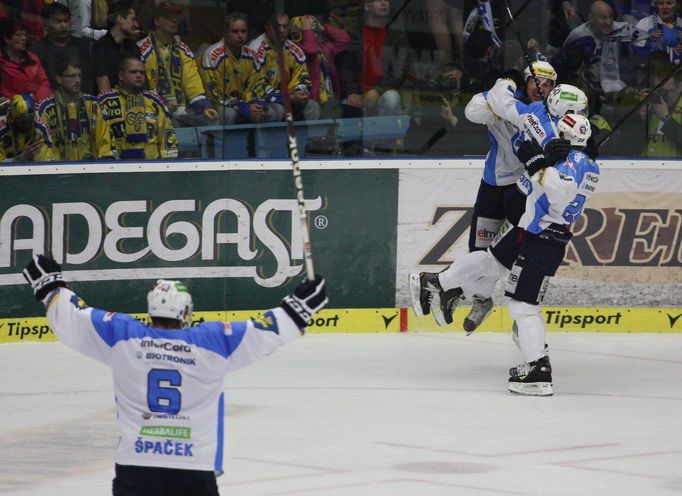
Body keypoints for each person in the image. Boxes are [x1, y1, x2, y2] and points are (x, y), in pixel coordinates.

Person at [22, 254, 328, 495]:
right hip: (193, 471)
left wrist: (51, 289)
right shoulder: (212, 342)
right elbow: (265, 331)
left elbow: (72, 319)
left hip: (136, 468)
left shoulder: (122, 337)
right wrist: (298, 309)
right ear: (186, 312)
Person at [411, 112, 600, 396]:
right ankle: (438, 282)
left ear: (565, 137)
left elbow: (558, 191)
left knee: (523, 307)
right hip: (530, 230)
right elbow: (532, 185)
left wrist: (538, 162)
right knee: (493, 260)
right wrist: (544, 160)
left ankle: (537, 368)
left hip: (544, 238)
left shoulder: (576, 163)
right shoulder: (582, 162)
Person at [137, 1, 218, 127]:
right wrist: (162, 102)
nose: (174, 20)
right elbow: (141, 88)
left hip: (181, 109)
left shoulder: (183, 49)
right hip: (151, 108)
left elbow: (192, 81)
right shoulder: (142, 49)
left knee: (212, 120)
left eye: (176, 16)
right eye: (168, 17)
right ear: (157, 21)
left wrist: (204, 107)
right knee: (172, 122)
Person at [199, 12, 283, 125]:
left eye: (243, 31)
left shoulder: (251, 55)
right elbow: (215, 93)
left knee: (273, 111)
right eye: (235, 31)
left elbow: (258, 85)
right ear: (225, 33)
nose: (240, 35)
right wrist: (243, 107)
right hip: (216, 103)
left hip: (244, 103)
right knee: (229, 115)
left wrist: (254, 104)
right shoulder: (212, 55)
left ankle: (260, 143)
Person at [553, 0, 643, 95]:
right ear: (591, 18)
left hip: (621, 88)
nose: (608, 22)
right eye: (603, 18)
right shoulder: (578, 35)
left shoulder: (623, 29)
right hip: (589, 91)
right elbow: (561, 64)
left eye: (611, 17)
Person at [99, 55, 178, 160]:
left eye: (142, 73)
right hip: (117, 169)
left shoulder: (155, 102)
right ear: (121, 75)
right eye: (133, 72)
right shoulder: (105, 102)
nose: (139, 75)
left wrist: (169, 166)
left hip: (152, 169)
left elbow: (167, 137)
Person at [248, 11, 320, 121]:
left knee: (312, 106)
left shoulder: (295, 51)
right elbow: (257, 87)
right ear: (267, 27)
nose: (281, 31)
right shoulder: (255, 50)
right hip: (262, 99)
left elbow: (302, 78)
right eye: (277, 26)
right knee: (279, 109)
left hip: (290, 98)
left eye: (285, 26)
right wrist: (289, 98)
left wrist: (299, 92)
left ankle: (306, 138)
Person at [37, 57, 113, 161]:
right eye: (72, 76)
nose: (77, 80)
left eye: (79, 76)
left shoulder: (93, 104)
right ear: (59, 78)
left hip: (90, 169)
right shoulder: (45, 107)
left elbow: (104, 140)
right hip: (57, 170)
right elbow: (42, 147)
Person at [288, 14, 351, 115]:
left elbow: (344, 40)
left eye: (314, 30)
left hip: (330, 96)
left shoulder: (324, 48)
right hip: (311, 99)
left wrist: (323, 28)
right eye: (309, 30)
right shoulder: (294, 49)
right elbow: (311, 50)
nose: (314, 33)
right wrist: (307, 29)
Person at [30, 2, 95, 95]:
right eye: (58, 22)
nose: (63, 26)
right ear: (46, 25)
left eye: (66, 21)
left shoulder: (83, 46)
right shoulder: (36, 52)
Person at [93, 4, 141, 94]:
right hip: (113, 103)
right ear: (120, 19)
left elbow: (140, 82)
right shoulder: (100, 47)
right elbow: (104, 91)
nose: (136, 25)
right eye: (133, 19)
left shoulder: (134, 48)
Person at [0, 18, 52, 102]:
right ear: (6, 39)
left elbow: (44, 82)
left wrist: (38, 98)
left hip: (39, 104)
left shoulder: (32, 57)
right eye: (18, 35)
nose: (24, 38)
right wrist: (24, 101)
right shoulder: (2, 61)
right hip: (12, 108)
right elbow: (3, 91)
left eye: (24, 35)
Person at [640, 56, 682, 157]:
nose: (661, 97)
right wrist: (641, 121)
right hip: (646, 168)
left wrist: (666, 118)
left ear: (680, 87)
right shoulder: (652, 108)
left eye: (665, 92)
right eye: (658, 92)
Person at [0, 93, 53, 162]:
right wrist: (20, 159)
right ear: (12, 117)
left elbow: (45, 162)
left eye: (29, 120)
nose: (27, 125)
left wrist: (33, 158)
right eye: (23, 122)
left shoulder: (40, 127)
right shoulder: (2, 129)